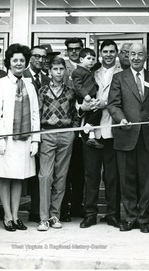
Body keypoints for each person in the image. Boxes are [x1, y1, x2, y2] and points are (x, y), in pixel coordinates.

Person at [107, 42, 149, 233]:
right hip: (125, 134)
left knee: (146, 180)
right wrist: (120, 119)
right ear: (127, 56)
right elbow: (113, 104)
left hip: (148, 136)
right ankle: (130, 217)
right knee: (126, 179)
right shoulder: (118, 78)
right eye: (132, 54)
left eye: (140, 54)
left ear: (146, 56)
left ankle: (144, 218)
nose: (136, 58)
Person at [0, 43, 40, 231]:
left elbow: (36, 113)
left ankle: (15, 215)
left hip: (24, 139)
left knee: (19, 177)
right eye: (15, 60)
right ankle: (7, 216)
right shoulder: (0, 84)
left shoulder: (29, 85)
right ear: (9, 63)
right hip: (6, 140)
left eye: (22, 60)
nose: (19, 63)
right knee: (6, 177)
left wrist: (35, 140)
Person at [79, 39, 122, 229]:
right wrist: (82, 106)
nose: (109, 54)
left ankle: (112, 214)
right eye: (105, 51)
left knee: (112, 176)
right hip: (91, 131)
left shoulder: (123, 73)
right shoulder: (90, 72)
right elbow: (77, 97)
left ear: (116, 53)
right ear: (100, 53)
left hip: (112, 130)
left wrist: (104, 103)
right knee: (91, 175)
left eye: (112, 51)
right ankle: (90, 213)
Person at [37, 57, 79, 231]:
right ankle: (43, 218)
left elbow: (76, 114)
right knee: (46, 176)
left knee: (61, 177)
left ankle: (55, 216)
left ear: (65, 71)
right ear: (50, 72)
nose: (59, 72)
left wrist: (73, 133)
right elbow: (37, 113)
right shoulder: (43, 90)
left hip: (65, 134)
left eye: (61, 69)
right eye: (55, 69)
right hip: (47, 133)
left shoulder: (71, 92)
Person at [23, 45, 50, 224]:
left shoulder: (47, 79)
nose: (40, 60)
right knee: (22, 171)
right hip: (25, 129)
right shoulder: (21, 75)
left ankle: (36, 210)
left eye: (43, 57)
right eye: (37, 56)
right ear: (30, 57)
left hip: (44, 131)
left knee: (41, 171)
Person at [60, 37, 85, 222]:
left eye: (77, 49)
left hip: (85, 126)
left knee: (79, 170)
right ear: (67, 50)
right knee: (64, 171)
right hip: (66, 125)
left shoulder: (88, 66)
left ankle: (77, 205)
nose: (74, 52)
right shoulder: (63, 68)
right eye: (71, 49)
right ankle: (64, 207)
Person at [72, 48, 103, 149]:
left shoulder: (89, 70)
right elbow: (78, 86)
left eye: (93, 59)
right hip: (84, 98)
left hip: (91, 96)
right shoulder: (77, 72)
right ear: (81, 60)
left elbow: (97, 65)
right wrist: (86, 95)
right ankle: (86, 130)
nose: (91, 61)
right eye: (88, 58)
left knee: (93, 114)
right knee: (96, 113)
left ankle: (91, 137)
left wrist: (99, 62)